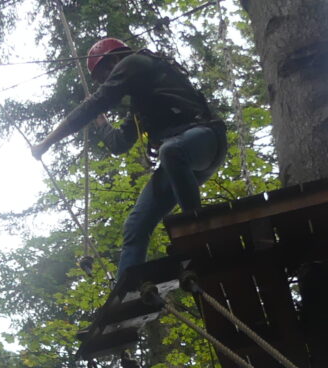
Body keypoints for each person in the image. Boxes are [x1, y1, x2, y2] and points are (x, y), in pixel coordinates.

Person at [31, 37, 227, 279]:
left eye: (104, 76)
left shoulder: (136, 62)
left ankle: (196, 236)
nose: (107, 82)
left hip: (205, 139)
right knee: (136, 226)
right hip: (181, 159)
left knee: (171, 151)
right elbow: (120, 144)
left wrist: (47, 142)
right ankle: (127, 291)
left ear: (114, 60)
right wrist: (102, 122)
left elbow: (96, 102)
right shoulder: (140, 106)